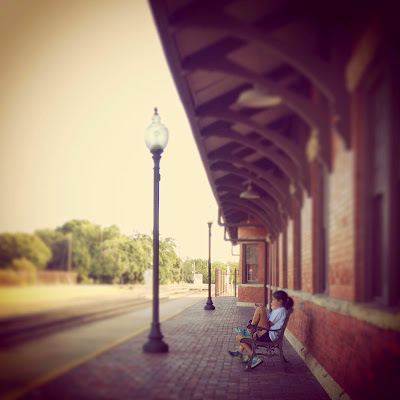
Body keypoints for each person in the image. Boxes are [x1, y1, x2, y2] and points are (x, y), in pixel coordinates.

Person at [228, 290, 294, 369]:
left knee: (261, 309)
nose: (271, 302)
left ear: (280, 301)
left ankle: (254, 353)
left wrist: (259, 311)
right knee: (238, 337)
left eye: (273, 300)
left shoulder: (280, 311)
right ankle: (241, 353)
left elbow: (268, 325)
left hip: (268, 336)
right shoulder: (280, 311)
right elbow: (266, 323)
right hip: (267, 333)